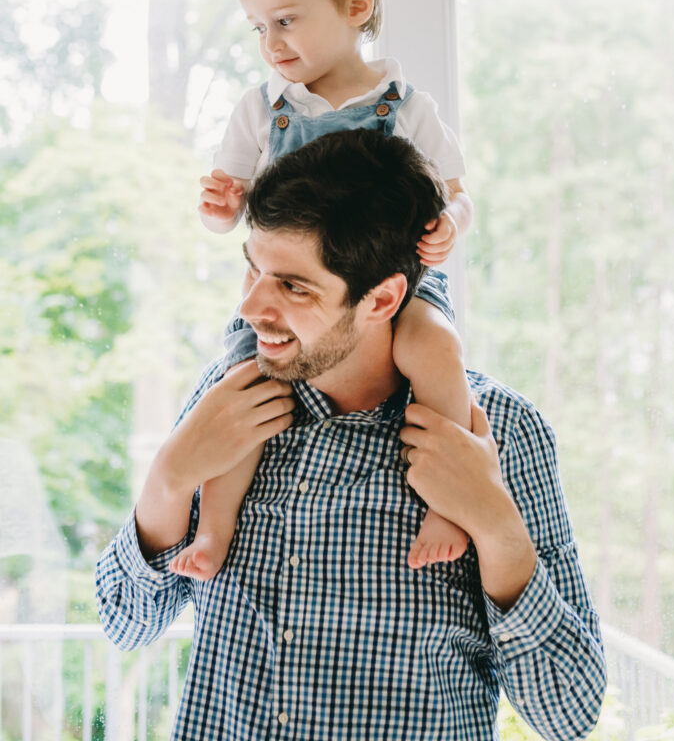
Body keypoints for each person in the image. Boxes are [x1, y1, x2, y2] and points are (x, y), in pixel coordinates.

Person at [96, 129, 606, 741]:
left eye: (293, 285)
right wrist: (170, 476)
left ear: (383, 298)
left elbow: (570, 716)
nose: (253, 307)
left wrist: (495, 526)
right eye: (253, 270)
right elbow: (126, 626)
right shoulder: (228, 401)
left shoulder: (502, 429)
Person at [176, 0, 474, 580]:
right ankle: (214, 527)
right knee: (241, 388)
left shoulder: (407, 107)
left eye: (285, 20)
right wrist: (221, 208)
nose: (271, 42)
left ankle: (448, 502)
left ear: (356, 5)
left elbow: (458, 196)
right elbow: (228, 213)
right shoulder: (262, 110)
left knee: (437, 349)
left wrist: (446, 227)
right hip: (287, 298)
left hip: (403, 282)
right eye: (258, 27)